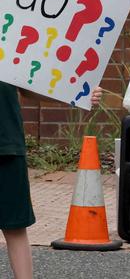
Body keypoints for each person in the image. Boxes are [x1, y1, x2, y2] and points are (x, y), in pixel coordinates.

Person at [0, 0, 104, 279]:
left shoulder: (7, 11)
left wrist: (72, 91)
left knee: (14, 224)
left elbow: (27, 79)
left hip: (4, 139)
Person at [0, 84, 102, 279]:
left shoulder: (8, 52)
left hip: (6, 145)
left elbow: (28, 85)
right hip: (8, 144)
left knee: (15, 227)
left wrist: (76, 94)